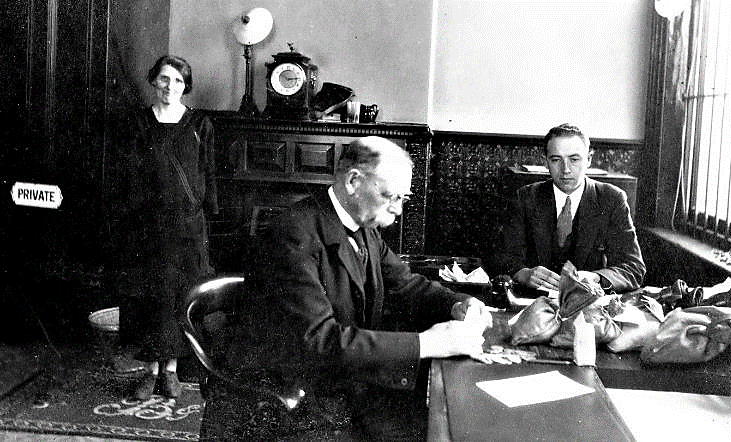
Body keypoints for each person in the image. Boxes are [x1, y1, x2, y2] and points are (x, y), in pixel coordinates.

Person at [200, 136, 492, 441]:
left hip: (340, 383)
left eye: (403, 199)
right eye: (391, 196)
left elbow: (407, 285)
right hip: (288, 399)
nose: (398, 210)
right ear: (353, 181)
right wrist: (426, 344)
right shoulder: (293, 235)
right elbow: (320, 341)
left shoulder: (364, 228)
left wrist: (458, 302)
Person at [112, 55, 217, 400]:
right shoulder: (138, 123)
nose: (169, 86)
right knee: (149, 298)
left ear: (186, 85)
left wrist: (206, 214)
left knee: (177, 296)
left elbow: (208, 174)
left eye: (177, 80)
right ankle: (149, 371)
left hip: (186, 229)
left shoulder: (200, 125)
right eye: (163, 79)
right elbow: (126, 176)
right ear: (153, 81)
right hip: (147, 227)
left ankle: (170, 372)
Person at [488, 123, 645, 293]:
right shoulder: (526, 197)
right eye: (556, 160)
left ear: (589, 160)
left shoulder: (612, 199)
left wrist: (596, 278)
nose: (566, 169)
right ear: (545, 161)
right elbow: (500, 257)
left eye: (574, 159)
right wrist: (522, 274)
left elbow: (633, 267)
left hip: (589, 304)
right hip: (534, 302)